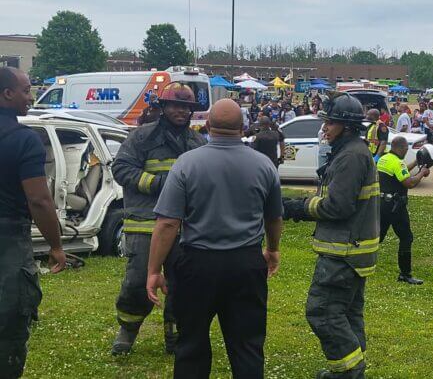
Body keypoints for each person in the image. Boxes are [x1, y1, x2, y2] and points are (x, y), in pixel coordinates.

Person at [146, 99, 283, 378]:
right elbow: (273, 217)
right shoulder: (264, 165)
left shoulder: (187, 163)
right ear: (243, 127)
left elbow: (168, 223)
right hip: (245, 262)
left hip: (197, 264)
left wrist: (153, 270)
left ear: (207, 126)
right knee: (247, 346)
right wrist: (272, 249)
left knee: (191, 344)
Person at [282, 93, 379, 379]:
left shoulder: (350, 156)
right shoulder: (352, 151)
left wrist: (297, 207)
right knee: (347, 314)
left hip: (343, 252)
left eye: (331, 123)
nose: (325, 128)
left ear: (347, 126)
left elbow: (338, 205)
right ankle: (351, 369)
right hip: (354, 250)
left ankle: (348, 372)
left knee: (322, 312)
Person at [110, 82, 207, 356]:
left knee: (183, 283)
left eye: (186, 107)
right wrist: (157, 183)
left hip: (184, 227)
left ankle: (174, 335)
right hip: (145, 224)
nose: (181, 111)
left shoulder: (197, 142)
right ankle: (127, 331)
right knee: (138, 281)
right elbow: (121, 169)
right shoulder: (142, 138)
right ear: (162, 107)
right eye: (175, 105)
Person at [0, 67, 67, 379]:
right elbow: (38, 199)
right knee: (9, 327)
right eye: (26, 90)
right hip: (8, 240)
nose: (31, 97)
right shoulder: (25, 140)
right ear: (7, 94)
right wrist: (56, 246)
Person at [377, 137, 433, 285]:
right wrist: (422, 173)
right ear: (401, 148)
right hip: (395, 206)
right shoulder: (397, 162)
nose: (406, 152)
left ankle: (357, 263)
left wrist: (415, 163)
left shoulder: (384, 158)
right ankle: (405, 274)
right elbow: (409, 183)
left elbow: (400, 172)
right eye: (406, 150)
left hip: (382, 204)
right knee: (406, 237)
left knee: (377, 237)